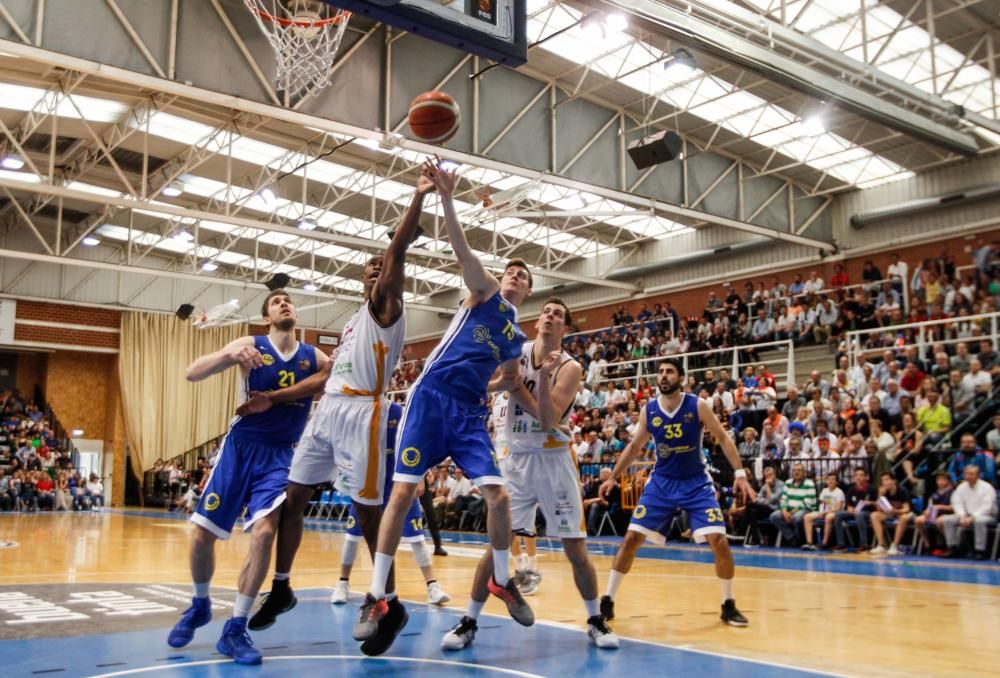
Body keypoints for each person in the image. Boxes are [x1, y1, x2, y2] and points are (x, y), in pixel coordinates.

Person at [236, 163, 433, 646]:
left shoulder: (388, 307)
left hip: (363, 414)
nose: (375, 271)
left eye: (380, 267)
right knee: (292, 499)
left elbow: (396, 251)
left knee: (367, 513)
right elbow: (326, 376)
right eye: (368, 269)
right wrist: (277, 397)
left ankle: (387, 602)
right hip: (328, 412)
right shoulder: (352, 320)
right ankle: (281, 588)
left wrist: (420, 195)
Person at [355, 163, 534, 656]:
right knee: (403, 493)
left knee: (499, 497)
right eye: (511, 269)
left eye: (523, 274)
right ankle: (376, 595)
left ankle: (500, 581)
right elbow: (461, 249)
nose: (514, 275)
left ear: (530, 292)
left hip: (469, 412)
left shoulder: (515, 337)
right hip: (430, 398)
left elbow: (509, 381)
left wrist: (493, 388)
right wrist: (447, 199)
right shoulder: (485, 293)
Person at [442, 298, 618, 651]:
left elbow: (549, 419)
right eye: (546, 312)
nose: (550, 317)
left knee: (575, 547)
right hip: (515, 461)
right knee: (497, 547)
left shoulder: (569, 367)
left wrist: (526, 380)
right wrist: (499, 384)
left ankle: (595, 619)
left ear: (565, 329)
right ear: (538, 321)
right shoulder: (514, 351)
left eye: (558, 315)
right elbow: (489, 385)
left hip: (554, 459)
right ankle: (469, 621)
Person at [167, 289, 325, 665]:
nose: (284, 303)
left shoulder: (314, 356)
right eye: (276, 302)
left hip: (280, 454)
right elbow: (191, 373)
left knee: (265, 533)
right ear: (266, 317)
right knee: (202, 535)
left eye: (288, 300)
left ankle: (236, 627)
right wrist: (228, 354)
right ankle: (200, 604)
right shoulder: (250, 344)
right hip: (240, 446)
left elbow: (334, 376)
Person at [597, 358, 756, 627]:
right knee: (632, 537)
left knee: (718, 539)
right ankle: (608, 600)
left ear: (680, 378)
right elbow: (635, 447)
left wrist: (740, 473)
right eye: (660, 372)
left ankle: (728, 604)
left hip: (696, 482)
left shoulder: (698, 405)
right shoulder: (650, 410)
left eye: (669, 371)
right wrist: (613, 476)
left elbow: (723, 437)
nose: (664, 376)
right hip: (662, 482)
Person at [331, 402, 450, 607]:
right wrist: (345, 473)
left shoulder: (399, 412)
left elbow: (417, 441)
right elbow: (343, 447)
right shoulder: (357, 412)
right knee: (352, 537)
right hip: (367, 484)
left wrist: (420, 475)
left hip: (398, 483)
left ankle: (432, 586)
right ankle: (343, 583)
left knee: (417, 538)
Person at [938, 465, 998, 560]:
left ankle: (979, 550)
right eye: (966, 474)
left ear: (978, 475)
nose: (968, 476)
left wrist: (973, 517)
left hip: (986, 515)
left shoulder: (987, 487)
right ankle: (953, 547)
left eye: (971, 474)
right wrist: (962, 516)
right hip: (966, 515)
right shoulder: (961, 487)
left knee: (979, 521)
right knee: (947, 520)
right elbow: (957, 502)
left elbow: (987, 506)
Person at [868, 473, 912, 557]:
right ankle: (881, 545)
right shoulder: (884, 492)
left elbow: (907, 509)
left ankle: (894, 546)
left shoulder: (902, 490)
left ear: (894, 481)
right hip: (892, 514)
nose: (885, 482)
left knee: (903, 518)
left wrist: (896, 511)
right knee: (874, 515)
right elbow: (879, 510)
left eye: (887, 479)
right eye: (883, 480)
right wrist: (880, 496)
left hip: (906, 514)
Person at [802, 473, 845, 550]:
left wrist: (825, 512)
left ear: (837, 482)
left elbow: (838, 508)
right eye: (829, 479)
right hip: (824, 511)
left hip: (835, 513)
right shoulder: (824, 490)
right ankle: (809, 542)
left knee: (828, 517)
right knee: (807, 517)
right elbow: (822, 503)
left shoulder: (839, 492)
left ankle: (824, 543)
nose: (830, 481)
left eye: (833, 479)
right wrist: (822, 512)